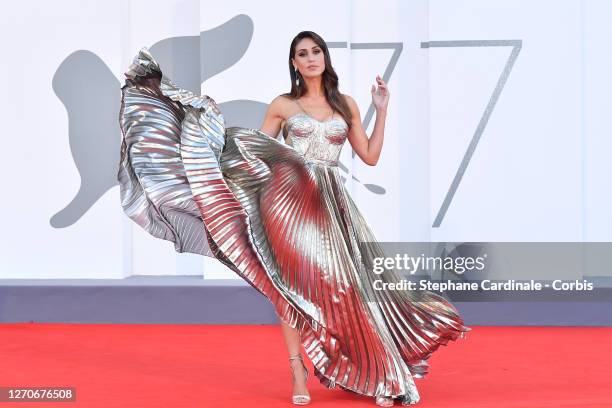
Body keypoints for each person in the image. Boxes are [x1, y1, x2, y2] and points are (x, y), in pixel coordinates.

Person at [118, 30, 470, 407]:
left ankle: (371, 367)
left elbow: (369, 155)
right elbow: (251, 155)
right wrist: (200, 130)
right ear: (294, 63)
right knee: (290, 286)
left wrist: (381, 109)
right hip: (288, 206)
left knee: (351, 286)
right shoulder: (283, 105)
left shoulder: (346, 104)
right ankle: (297, 368)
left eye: (316, 51)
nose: (310, 58)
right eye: (302, 53)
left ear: (324, 57)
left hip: (332, 206)